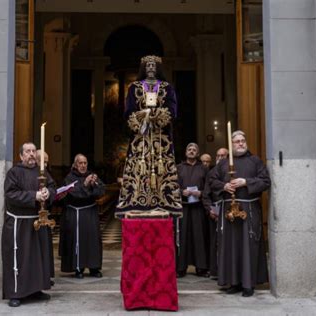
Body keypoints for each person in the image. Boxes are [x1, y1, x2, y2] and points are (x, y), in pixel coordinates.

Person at [116, 55, 182, 217]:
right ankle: (137, 200)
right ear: (144, 68)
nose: (151, 68)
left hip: (161, 138)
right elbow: (129, 111)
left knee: (163, 166)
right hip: (141, 137)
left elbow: (172, 110)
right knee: (138, 166)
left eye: (153, 66)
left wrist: (156, 116)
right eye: (148, 65)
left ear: (158, 68)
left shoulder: (167, 88)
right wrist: (142, 117)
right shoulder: (135, 87)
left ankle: (163, 200)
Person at [209, 131, 270, 297]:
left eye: (243, 140)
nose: (241, 144)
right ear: (232, 144)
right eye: (237, 142)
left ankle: (248, 284)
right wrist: (224, 186)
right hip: (228, 213)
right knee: (231, 246)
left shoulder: (255, 161)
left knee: (248, 247)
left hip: (249, 212)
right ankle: (234, 282)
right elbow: (212, 181)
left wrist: (246, 182)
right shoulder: (222, 165)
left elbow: (265, 181)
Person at [2, 142, 55, 307]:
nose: (32, 154)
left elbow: (53, 187)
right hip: (19, 223)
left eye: (33, 151)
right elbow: (11, 194)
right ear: (21, 155)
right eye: (28, 151)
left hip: (37, 221)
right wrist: (34, 196)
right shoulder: (14, 173)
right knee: (20, 259)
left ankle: (36, 290)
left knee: (37, 259)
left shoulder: (42, 171)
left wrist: (48, 193)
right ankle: (15, 293)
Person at [59, 154, 105, 278]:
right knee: (78, 241)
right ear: (75, 164)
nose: (83, 165)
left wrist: (93, 184)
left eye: (85, 163)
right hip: (76, 214)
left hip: (90, 213)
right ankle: (78, 268)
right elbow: (74, 195)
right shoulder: (69, 178)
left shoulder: (92, 176)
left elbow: (101, 192)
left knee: (93, 241)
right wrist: (85, 184)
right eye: (80, 163)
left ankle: (94, 268)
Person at [176, 143, 209, 277]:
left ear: (198, 153)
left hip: (198, 208)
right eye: (189, 149)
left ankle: (201, 267)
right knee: (182, 237)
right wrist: (180, 192)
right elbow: (171, 186)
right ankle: (181, 268)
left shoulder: (204, 169)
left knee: (199, 237)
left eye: (194, 150)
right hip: (183, 207)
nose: (191, 151)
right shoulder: (178, 168)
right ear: (185, 152)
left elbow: (208, 187)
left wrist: (201, 193)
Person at [202, 147, 228, 280]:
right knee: (214, 242)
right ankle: (215, 271)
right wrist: (210, 209)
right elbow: (206, 194)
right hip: (215, 210)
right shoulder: (211, 172)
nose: (220, 158)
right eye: (218, 156)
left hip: (229, 210)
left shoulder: (232, 170)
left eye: (223, 156)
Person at [36, 150, 55, 286]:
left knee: (45, 248)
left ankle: (46, 275)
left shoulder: (46, 173)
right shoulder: (28, 173)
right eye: (43, 161)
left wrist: (49, 192)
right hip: (32, 217)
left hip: (44, 216)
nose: (46, 165)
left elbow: (53, 187)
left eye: (47, 161)